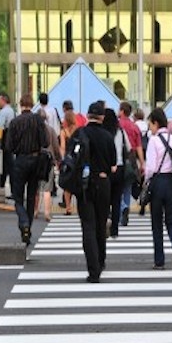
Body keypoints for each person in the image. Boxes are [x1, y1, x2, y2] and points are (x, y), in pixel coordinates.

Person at [73, 102, 117, 283]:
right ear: (102, 118)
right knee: (100, 224)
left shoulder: (79, 134)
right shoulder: (108, 137)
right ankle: (101, 261)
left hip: (84, 185)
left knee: (88, 226)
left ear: (87, 115)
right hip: (103, 182)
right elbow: (114, 166)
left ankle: (93, 270)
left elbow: (71, 160)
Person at [145, 108, 172, 270]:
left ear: (155, 123)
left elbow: (150, 167)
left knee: (156, 222)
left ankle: (159, 261)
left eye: (150, 125)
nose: (150, 128)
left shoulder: (153, 141)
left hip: (158, 182)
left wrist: (146, 182)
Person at [5, 93, 48, 245]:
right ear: (32, 104)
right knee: (31, 196)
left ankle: (23, 223)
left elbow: (9, 146)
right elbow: (45, 141)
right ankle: (27, 228)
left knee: (17, 197)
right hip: (36, 160)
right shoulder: (38, 120)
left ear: (21, 104)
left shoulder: (15, 122)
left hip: (21, 160)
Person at [102, 108, 130, 239]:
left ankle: (105, 222)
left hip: (106, 169)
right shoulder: (121, 132)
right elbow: (129, 148)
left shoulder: (102, 133)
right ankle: (115, 230)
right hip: (119, 168)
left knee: (104, 199)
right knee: (117, 200)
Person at [118, 101, 145, 226]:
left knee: (117, 187)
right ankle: (126, 208)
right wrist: (142, 163)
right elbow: (139, 146)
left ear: (122, 111)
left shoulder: (117, 125)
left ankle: (122, 208)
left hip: (119, 158)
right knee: (128, 186)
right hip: (132, 158)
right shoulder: (134, 127)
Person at [34, 108, 61, 222]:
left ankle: (35, 211)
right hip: (48, 161)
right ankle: (47, 212)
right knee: (47, 189)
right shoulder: (50, 130)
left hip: (35, 160)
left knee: (35, 188)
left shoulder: (33, 131)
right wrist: (58, 159)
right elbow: (55, 145)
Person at [0, 92, 15, 191]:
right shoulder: (12, 110)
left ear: (3, 100)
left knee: (4, 166)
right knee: (9, 166)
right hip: (10, 142)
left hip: (4, 142)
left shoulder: (4, 112)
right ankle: (11, 189)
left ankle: (1, 187)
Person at [59, 110, 78, 215]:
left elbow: (62, 147)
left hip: (68, 159)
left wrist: (62, 160)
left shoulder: (64, 132)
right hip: (77, 159)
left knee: (67, 184)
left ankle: (68, 207)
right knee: (77, 182)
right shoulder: (78, 130)